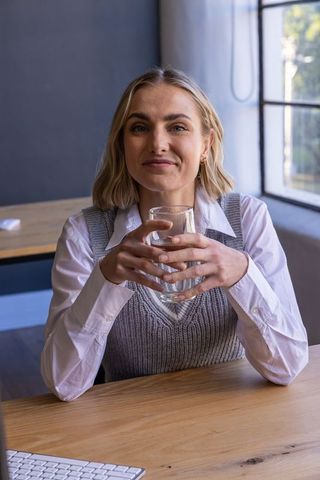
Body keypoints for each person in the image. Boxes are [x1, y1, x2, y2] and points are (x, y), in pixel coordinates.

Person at [41, 67, 308, 401]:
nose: (158, 143)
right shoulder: (84, 233)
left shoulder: (248, 218)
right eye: (139, 128)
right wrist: (105, 279)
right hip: (129, 426)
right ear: (122, 144)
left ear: (206, 144)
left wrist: (242, 273)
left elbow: (288, 366)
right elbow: (63, 383)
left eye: (177, 127)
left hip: (233, 416)